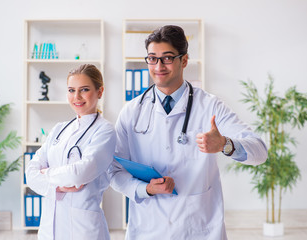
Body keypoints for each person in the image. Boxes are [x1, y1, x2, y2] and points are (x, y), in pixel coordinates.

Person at [109, 25, 268, 239]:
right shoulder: (132, 110)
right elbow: (114, 171)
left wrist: (225, 144)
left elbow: (259, 151)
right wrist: (145, 189)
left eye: (167, 58)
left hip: (197, 228)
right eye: (152, 58)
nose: (158, 66)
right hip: (148, 228)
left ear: (184, 60)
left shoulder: (210, 106)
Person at [26, 64, 116, 240]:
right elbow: (30, 173)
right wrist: (58, 185)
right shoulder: (59, 129)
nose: (76, 97)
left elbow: (80, 173)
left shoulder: (105, 131)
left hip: (83, 229)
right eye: (71, 90)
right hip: (49, 228)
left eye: (84, 90)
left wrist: (46, 173)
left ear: (100, 91)